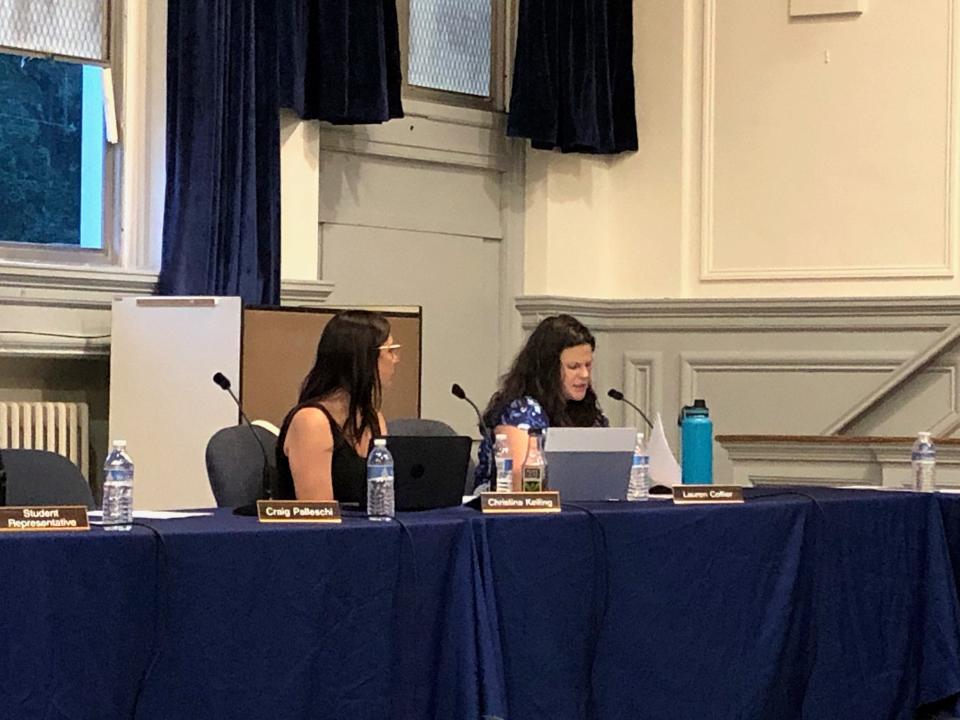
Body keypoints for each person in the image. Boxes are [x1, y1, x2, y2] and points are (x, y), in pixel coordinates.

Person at [276, 310, 401, 502]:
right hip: (323, 531)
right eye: (390, 351)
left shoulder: (374, 418)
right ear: (363, 358)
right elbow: (318, 513)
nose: (396, 359)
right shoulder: (312, 422)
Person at [475, 314, 607, 490]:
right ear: (547, 369)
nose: (584, 375)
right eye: (573, 367)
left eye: (588, 365)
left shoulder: (587, 411)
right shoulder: (520, 412)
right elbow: (519, 488)